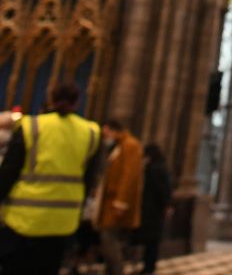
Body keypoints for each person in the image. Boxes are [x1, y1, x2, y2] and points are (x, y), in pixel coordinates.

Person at [0, 83, 100, 275]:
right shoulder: (90, 132)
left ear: (50, 99)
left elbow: (8, 173)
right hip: (63, 221)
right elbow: (88, 179)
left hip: (23, 219)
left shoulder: (32, 126)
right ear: (77, 102)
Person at [96, 119, 144, 275]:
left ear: (112, 130)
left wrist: (121, 202)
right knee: (108, 240)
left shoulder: (130, 145)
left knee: (110, 241)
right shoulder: (120, 146)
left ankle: (116, 271)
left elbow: (129, 176)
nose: (105, 137)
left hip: (115, 204)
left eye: (106, 133)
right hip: (109, 202)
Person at [136, 144, 172, 274]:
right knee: (152, 241)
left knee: (151, 240)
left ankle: (148, 266)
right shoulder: (161, 167)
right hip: (156, 210)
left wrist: (166, 204)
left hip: (152, 210)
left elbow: (162, 190)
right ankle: (149, 265)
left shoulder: (153, 169)